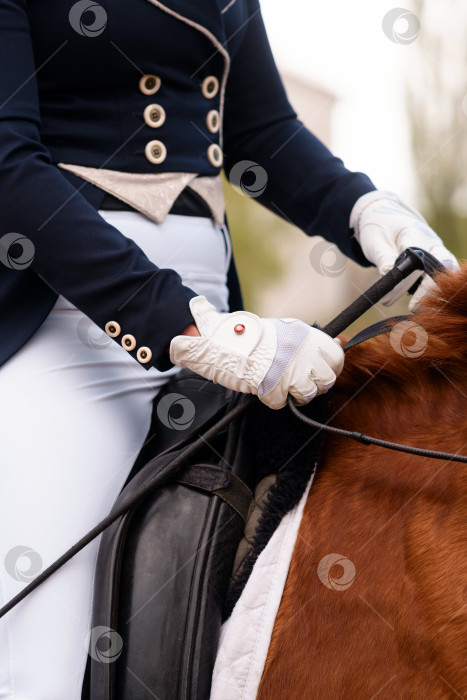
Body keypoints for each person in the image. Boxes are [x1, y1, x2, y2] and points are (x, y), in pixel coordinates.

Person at [0, 0, 458, 697]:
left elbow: (262, 133)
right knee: (37, 649)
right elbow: (7, 166)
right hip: (68, 320)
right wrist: (182, 328)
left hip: (220, 309)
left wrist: (366, 213)